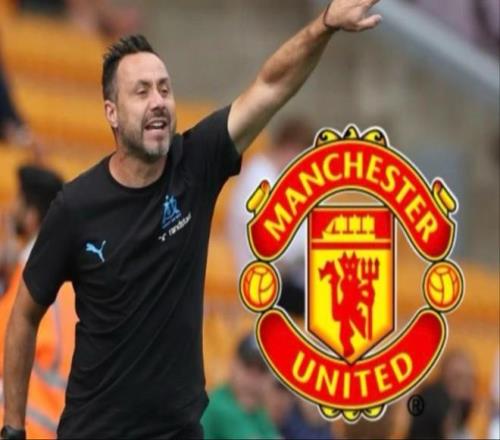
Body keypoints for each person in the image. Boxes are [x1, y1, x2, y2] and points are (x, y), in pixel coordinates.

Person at [1, 1, 383, 438]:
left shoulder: (195, 164)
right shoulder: (76, 206)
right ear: (112, 112)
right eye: (141, 91)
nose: (158, 101)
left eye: (164, 89)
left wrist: (323, 25)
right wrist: (13, 427)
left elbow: (271, 85)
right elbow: (24, 314)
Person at [0, 166, 76, 439]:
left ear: (32, 217)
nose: (10, 210)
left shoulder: (28, 283)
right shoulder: (71, 281)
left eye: (17, 202)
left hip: (25, 426)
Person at [228, 117, 313, 315]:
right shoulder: (257, 177)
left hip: (291, 279)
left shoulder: (294, 181)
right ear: (288, 147)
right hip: (261, 280)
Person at [201, 334, 280, 439]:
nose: (254, 377)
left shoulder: (258, 412)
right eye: (248, 365)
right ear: (233, 364)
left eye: (262, 369)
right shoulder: (219, 406)